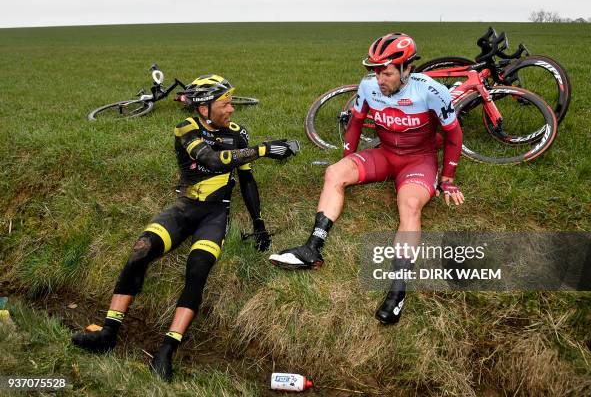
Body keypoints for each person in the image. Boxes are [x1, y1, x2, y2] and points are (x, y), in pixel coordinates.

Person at [72, 74, 298, 381]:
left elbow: (246, 180)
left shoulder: (238, 135)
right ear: (204, 109)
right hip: (184, 208)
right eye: (225, 103)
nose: (231, 109)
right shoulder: (187, 127)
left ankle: (166, 351)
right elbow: (212, 160)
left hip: (215, 214)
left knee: (198, 270)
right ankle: (108, 333)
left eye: (231, 102)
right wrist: (264, 149)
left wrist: (258, 224)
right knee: (142, 249)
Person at [269, 33, 464, 324]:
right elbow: (356, 122)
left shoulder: (431, 91)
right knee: (334, 173)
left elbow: (454, 134)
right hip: (384, 154)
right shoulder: (369, 87)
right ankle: (312, 249)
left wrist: (447, 178)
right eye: (375, 72)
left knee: (409, 204)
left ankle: (398, 292)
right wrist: (347, 156)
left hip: (418, 161)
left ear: (406, 69)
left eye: (386, 73)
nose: (379, 79)